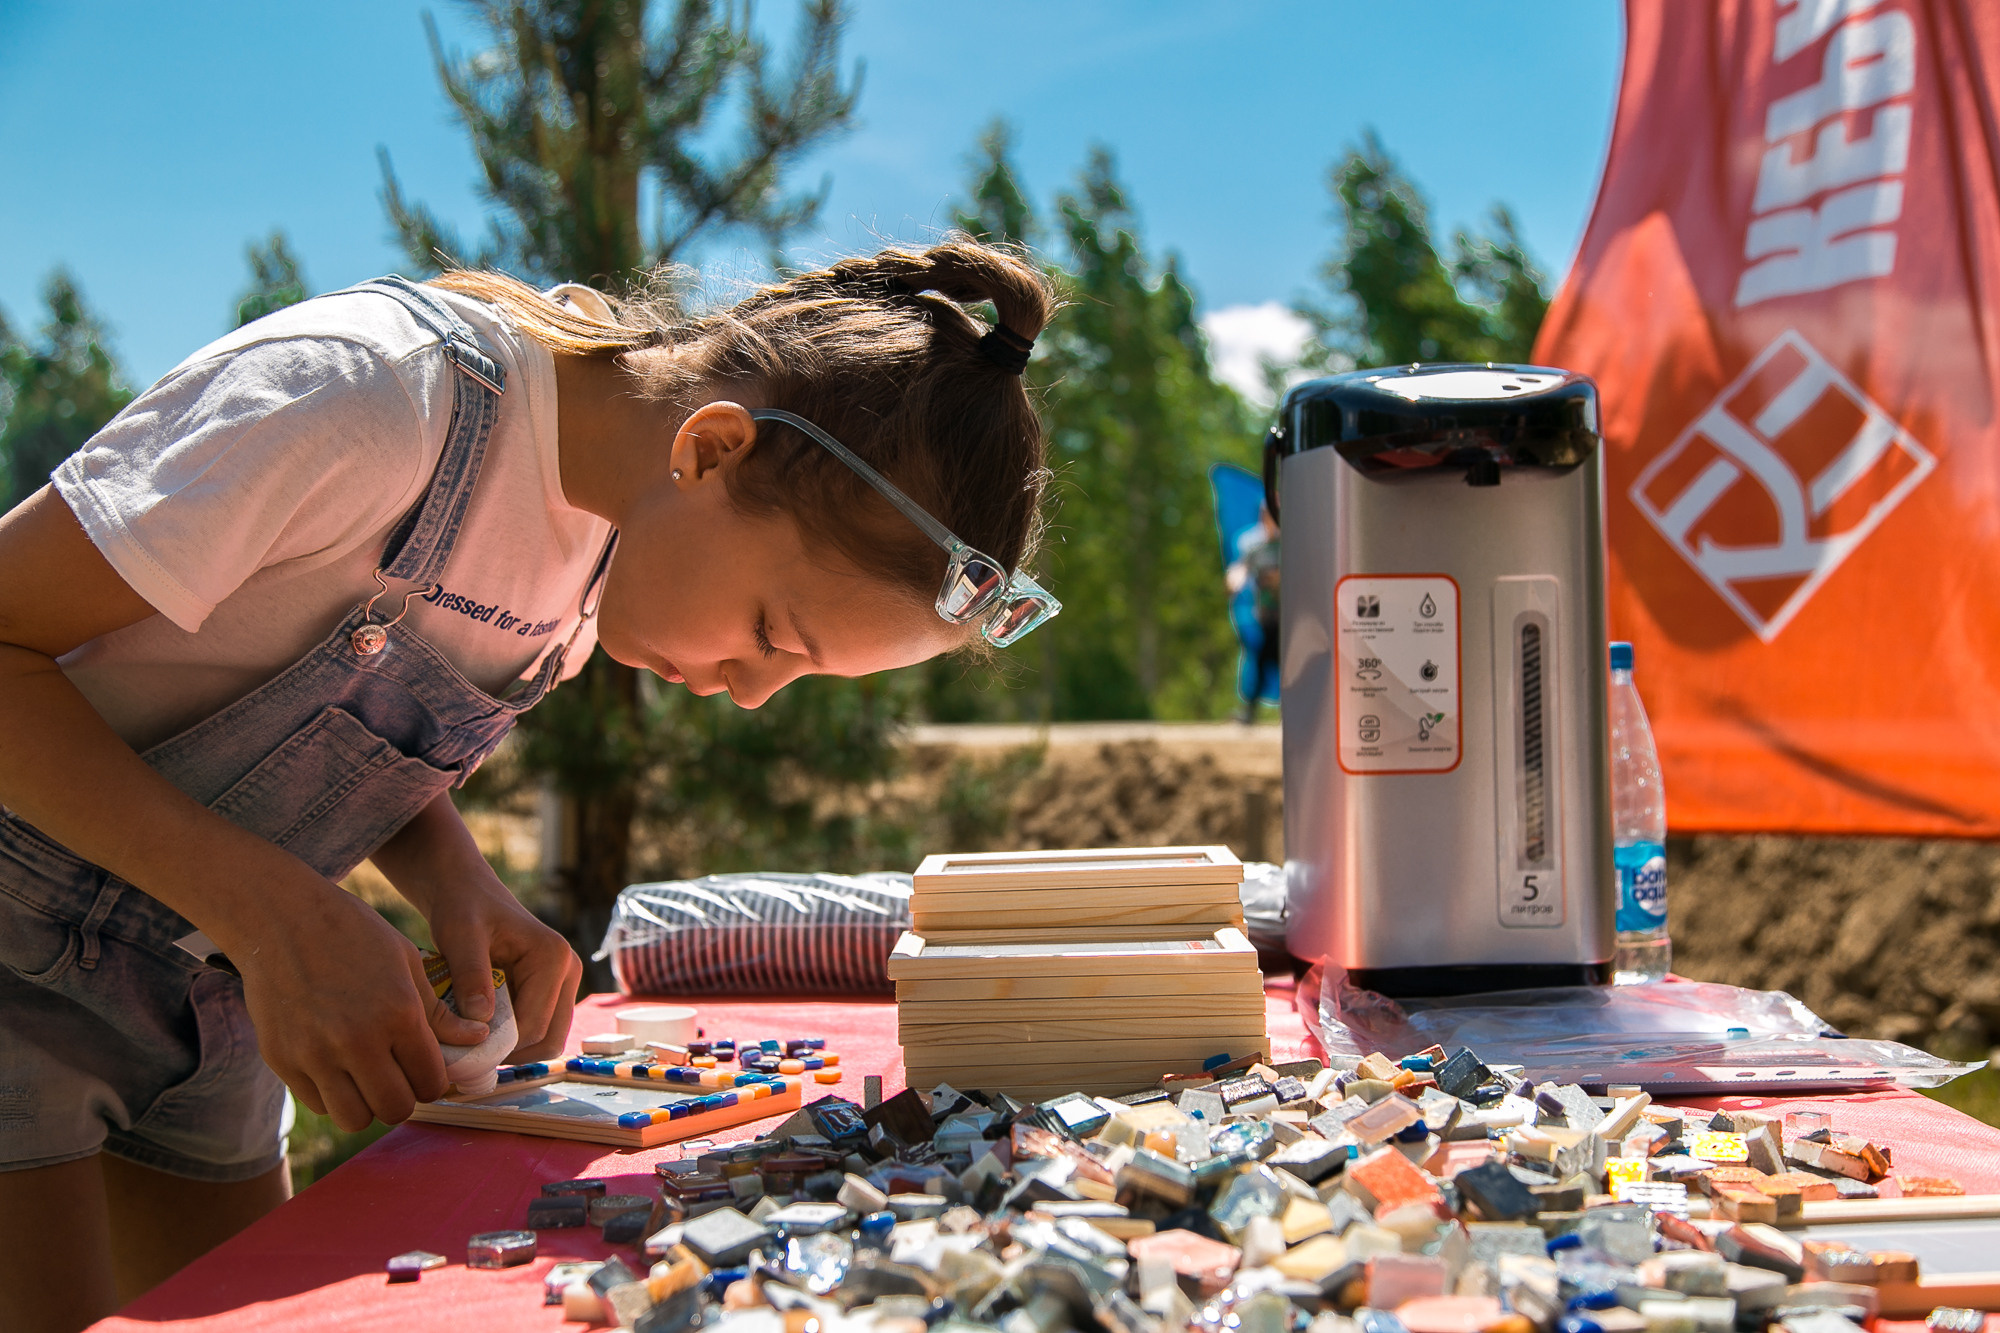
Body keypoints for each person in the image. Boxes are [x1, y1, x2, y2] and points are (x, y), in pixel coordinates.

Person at [0, 238, 1059, 1332]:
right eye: (768, 634)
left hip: (205, 1000)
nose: (750, 694)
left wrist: (457, 880)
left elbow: (301, 696)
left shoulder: (608, 537)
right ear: (710, 450)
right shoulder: (366, 397)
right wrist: (273, 915)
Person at [1227, 505, 1281, 723]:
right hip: (1268, 614)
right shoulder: (1254, 545)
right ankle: (1250, 712)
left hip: (1294, 616)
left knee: (1279, 661)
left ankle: (1251, 712)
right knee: (1265, 659)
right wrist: (1233, 581)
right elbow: (1240, 569)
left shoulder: (1295, 542)